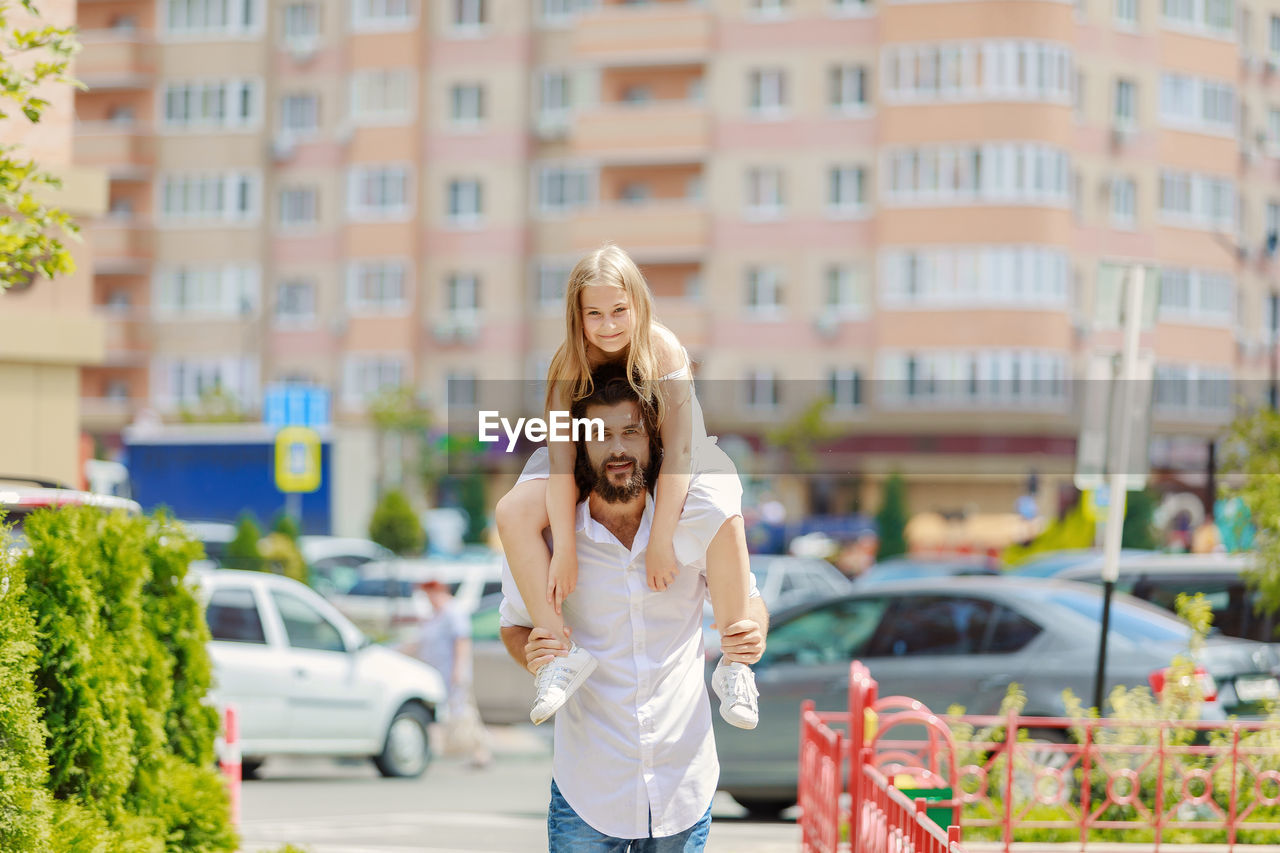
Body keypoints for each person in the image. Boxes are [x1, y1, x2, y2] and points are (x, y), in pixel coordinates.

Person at [498, 368, 768, 851]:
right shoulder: (550, 543)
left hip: (682, 782)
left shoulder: (691, 523)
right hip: (589, 788)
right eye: (600, 435)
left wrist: (753, 635)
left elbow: (749, 600)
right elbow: (514, 625)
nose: (617, 449)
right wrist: (534, 653)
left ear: (654, 443)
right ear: (578, 450)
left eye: (631, 432)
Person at [495, 243, 758, 728]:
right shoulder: (567, 368)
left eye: (619, 310)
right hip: (592, 455)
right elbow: (560, 463)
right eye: (594, 314)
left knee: (723, 500)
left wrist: (661, 539)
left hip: (669, 454)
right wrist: (566, 548)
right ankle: (558, 657)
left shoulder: (664, 351)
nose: (609, 325)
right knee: (511, 512)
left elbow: (679, 452)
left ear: (638, 303)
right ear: (577, 317)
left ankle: (735, 665)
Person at [408, 580, 491, 768]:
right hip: (438, 674)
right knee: (454, 713)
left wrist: (459, 671)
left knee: (463, 713)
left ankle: (480, 752)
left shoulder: (453, 611)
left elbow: (462, 641)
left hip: (452, 673)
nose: (427, 599)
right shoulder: (435, 615)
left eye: (429, 594)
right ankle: (468, 752)